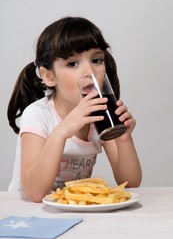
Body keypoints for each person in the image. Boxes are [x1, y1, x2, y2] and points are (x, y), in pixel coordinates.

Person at [7, 16, 142, 202]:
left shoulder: (100, 114)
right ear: (49, 76)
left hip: (68, 209)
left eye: (96, 60)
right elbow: (34, 194)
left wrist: (124, 140)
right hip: (26, 210)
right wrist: (61, 131)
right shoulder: (38, 115)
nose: (90, 71)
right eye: (72, 64)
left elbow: (130, 182)